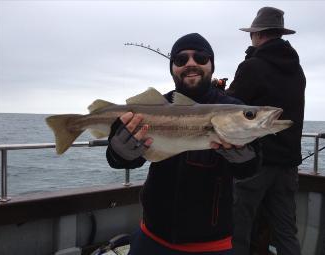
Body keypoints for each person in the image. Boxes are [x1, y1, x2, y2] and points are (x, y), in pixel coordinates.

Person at [106, 33, 260, 255]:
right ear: (173, 68)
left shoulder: (233, 108)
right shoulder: (150, 109)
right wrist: (119, 153)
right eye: (181, 60)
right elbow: (128, 160)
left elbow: (250, 169)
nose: (191, 64)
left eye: (200, 58)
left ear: (211, 65)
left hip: (212, 244)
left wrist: (246, 159)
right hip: (152, 234)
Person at [226, 7, 306, 255]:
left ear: (258, 35)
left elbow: (230, 108)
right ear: (280, 34)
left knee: (238, 229)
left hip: (256, 165)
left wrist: (221, 89)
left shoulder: (252, 67)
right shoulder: (298, 70)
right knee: (285, 232)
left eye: (252, 34)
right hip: (288, 166)